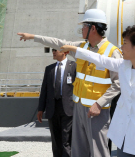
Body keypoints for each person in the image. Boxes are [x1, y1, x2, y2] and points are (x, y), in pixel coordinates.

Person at [18, 9, 122, 157]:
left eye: (84, 26)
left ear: (93, 28)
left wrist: (99, 103)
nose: (81, 29)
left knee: (98, 150)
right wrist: (33, 37)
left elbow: (118, 83)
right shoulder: (81, 47)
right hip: (78, 107)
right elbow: (59, 43)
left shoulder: (112, 52)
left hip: (96, 110)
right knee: (78, 150)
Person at [59, 26, 135, 157]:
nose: (121, 47)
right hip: (125, 133)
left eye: (125, 43)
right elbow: (100, 59)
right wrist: (75, 49)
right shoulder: (123, 65)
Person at [37, 47, 76, 157]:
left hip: (68, 109)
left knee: (66, 139)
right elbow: (44, 90)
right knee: (55, 140)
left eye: (56, 50)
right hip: (52, 109)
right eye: (52, 50)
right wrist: (41, 109)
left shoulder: (74, 66)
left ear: (65, 52)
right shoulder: (49, 69)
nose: (53, 52)